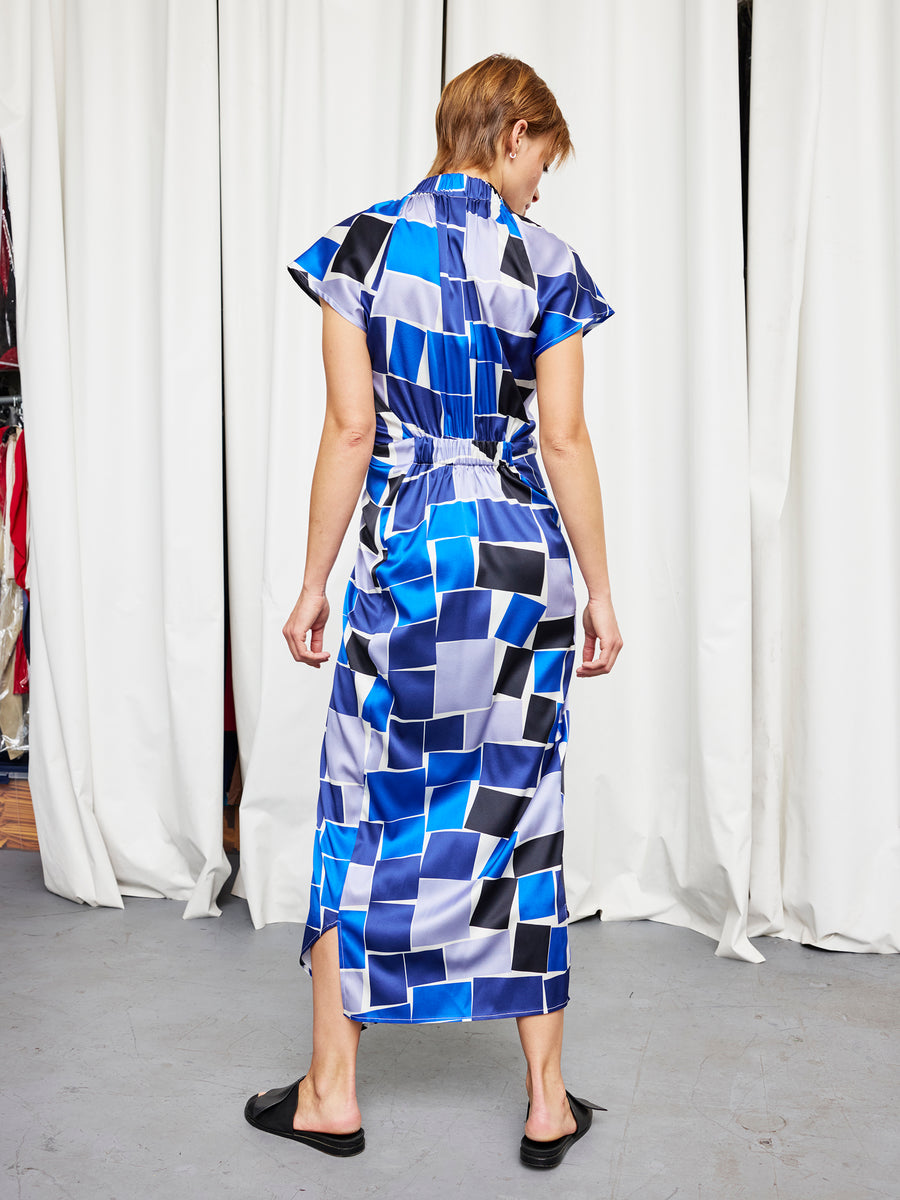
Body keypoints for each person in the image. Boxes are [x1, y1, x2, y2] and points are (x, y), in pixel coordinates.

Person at [245, 53, 623, 1170]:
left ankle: (333, 1092)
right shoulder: (547, 265)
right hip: (519, 568)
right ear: (510, 133)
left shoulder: (359, 250)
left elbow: (351, 434)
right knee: (517, 806)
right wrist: (601, 591)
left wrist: (314, 583)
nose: (543, 188)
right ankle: (548, 1103)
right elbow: (562, 442)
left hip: (413, 558)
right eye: (542, 161)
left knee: (367, 803)